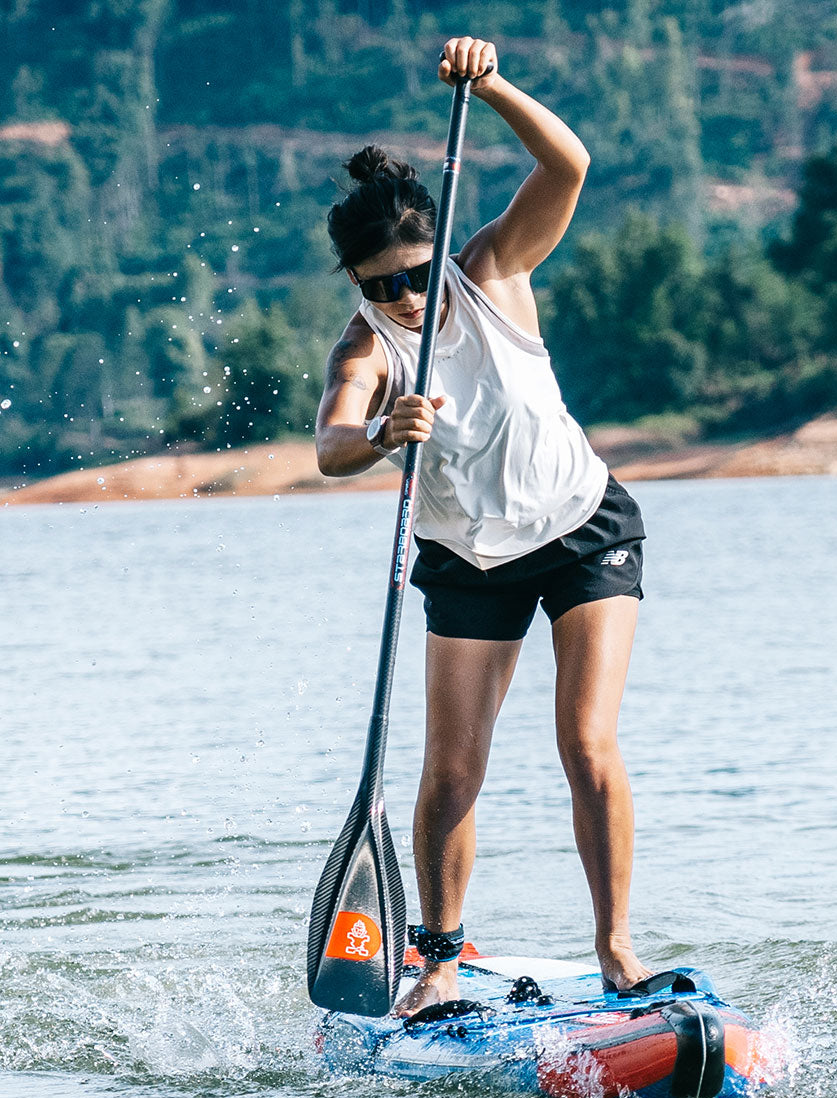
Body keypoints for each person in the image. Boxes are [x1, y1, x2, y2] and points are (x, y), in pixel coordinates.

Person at [316, 36, 652, 1016]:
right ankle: (439, 956)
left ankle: (616, 946)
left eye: (412, 274)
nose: (404, 298)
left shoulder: (493, 269)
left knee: (586, 743)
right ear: (356, 286)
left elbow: (568, 166)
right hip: (466, 556)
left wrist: (491, 83)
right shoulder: (365, 349)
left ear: (437, 248)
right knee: (452, 768)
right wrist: (380, 434)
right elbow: (330, 443)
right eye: (378, 285)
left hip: (583, 525)